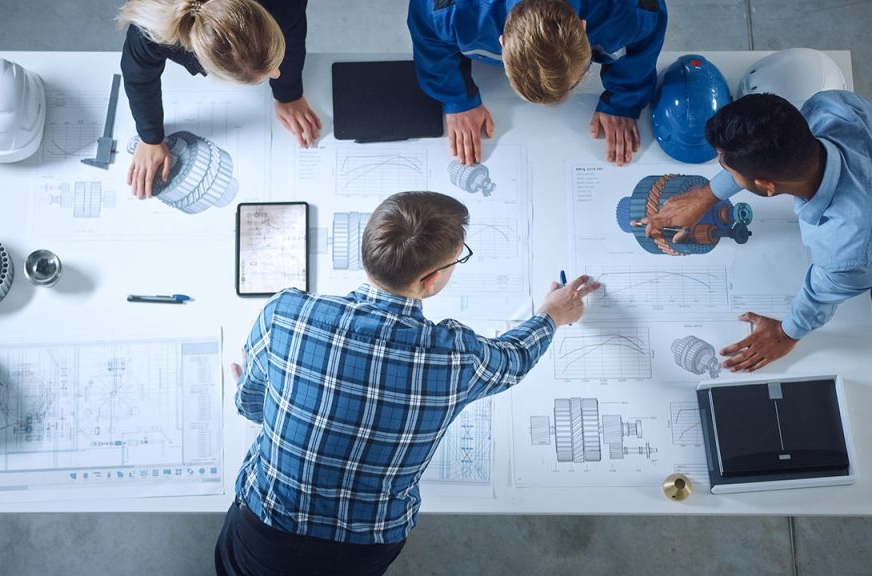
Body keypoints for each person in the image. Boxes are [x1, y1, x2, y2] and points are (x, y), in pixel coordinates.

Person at [216, 191, 599, 575]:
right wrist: (551, 315)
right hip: (362, 549)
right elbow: (514, 359)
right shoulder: (456, 355)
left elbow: (249, 403)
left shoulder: (285, 314)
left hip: (263, 531)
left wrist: (277, 403)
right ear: (430, 280)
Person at [644, 91, 872, 373]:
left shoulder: (853, 248)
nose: (725, 171)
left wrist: (785, 334)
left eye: (729, 170)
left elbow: (822, 294)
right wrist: (706, 195)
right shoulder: (833, 107)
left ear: (766, 186)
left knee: (869, 335)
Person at [407, 0, 667, 167]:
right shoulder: (447, 8)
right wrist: (457, 98)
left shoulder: (632, 9)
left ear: (583, 27)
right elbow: (428, 36)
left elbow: (645, 37)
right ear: (503, 41)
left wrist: (623, 101)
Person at [118, 0, 321, 199]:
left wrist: (288, 93)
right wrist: (150, 138)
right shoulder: (149, 32)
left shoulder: (286, 4)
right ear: (207, 65)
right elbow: (139, 78)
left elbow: (293, 32)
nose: (277, 73)